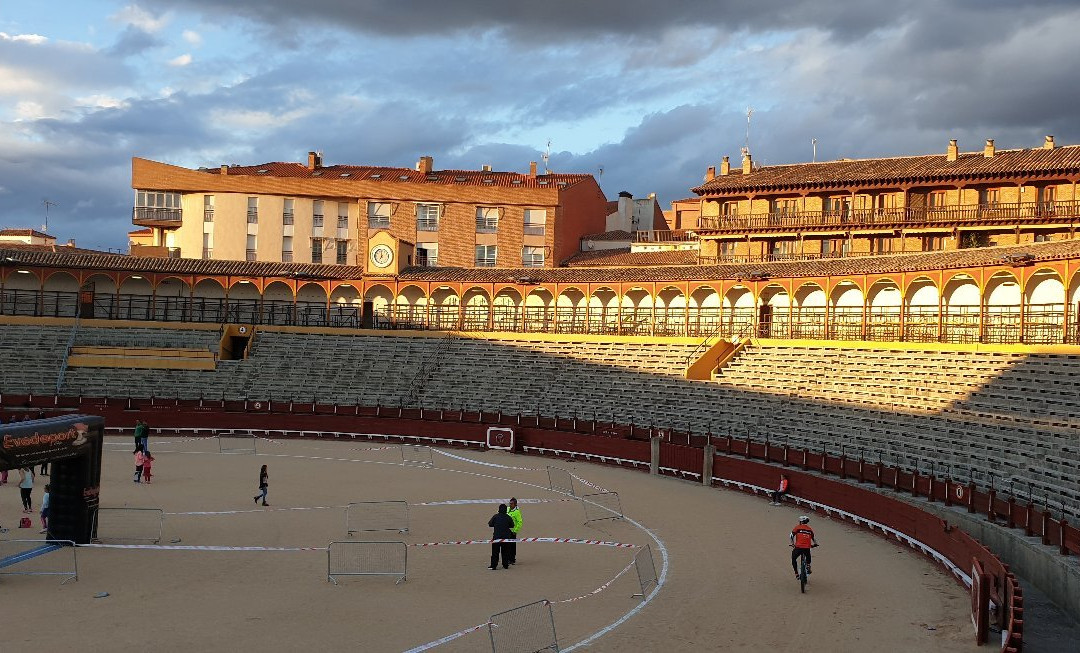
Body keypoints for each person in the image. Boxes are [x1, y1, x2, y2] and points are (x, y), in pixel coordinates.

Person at [487, 503, 515, 570]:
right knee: (505, 551)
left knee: (495, 552)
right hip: (506, 538)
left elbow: (490, 524)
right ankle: (505, 565)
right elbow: (512, 525)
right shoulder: (508, 517)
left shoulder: (495, 516)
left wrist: (496, 525)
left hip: (496, 537)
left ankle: (493, 565)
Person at [507, 497, 523, 565]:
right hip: (506, 530)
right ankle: (507, 558)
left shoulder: (517, 512)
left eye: (512, 504)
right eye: (510, 503)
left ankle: (512, 559)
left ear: (515, 504)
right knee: (506, 545)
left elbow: (520, 522)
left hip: (512, 531)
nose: (510, 505)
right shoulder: (507, 509)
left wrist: (515, 531)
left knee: (512, 546)